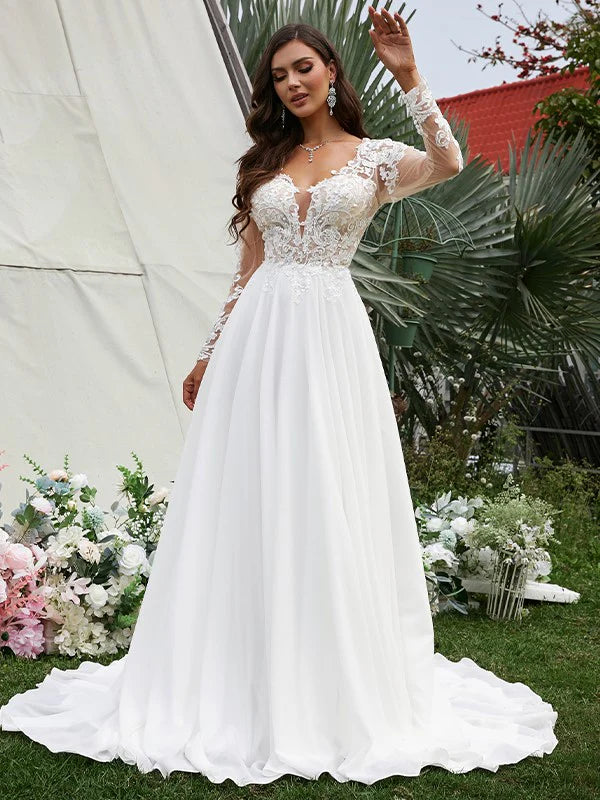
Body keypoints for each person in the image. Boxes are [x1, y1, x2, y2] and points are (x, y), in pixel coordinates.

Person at [0, 6, 558, 785]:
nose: (292, 82)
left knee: (324, 478)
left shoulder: (373, 158)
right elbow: (248, 272)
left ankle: (327, 667)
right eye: (280, 74)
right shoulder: (266, 163)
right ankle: (239, 658)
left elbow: (449, 160)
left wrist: (410, 76)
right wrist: (208, 353)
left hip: (330, 335)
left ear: (330, 73)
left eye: (304, 68)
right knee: (248, 482)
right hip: (258, 339)